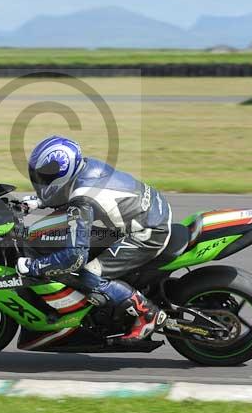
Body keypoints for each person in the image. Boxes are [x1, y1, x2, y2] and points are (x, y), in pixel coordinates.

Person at [15, 135, 170, 343]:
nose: (39, 180)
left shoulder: (83, 200)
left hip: (148, 232)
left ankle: (148, 314)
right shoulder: (86, 167)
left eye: (44, 176)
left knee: (88, 272)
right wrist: (36, 202)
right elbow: (66, 192)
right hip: (147, 212)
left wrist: (33, 267)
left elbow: (75, 258)